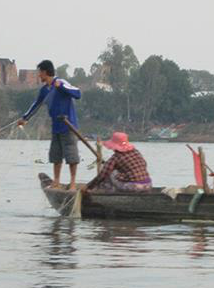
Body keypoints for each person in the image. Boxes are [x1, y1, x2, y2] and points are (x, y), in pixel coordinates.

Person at [17, 60, 82, 189]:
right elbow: (36, 105)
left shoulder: (61, 83)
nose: (38, 76)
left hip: (68, 126)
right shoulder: (44, 90)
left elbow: (77, 93)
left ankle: (73, 183)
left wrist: (61, 87)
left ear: (45, 72)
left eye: (39, 73)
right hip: (56, 127)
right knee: (55, 155)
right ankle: (56, 181)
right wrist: (25, 118)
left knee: (71, 156)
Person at [84, 132, 152, 192]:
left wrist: (88, 186)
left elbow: (102, 174)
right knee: (115, 172)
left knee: (110, 173)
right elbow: (144, 164)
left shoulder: (116, 157)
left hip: (134, 187)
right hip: (148, 184)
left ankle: (105, 191)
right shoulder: (136, 152)